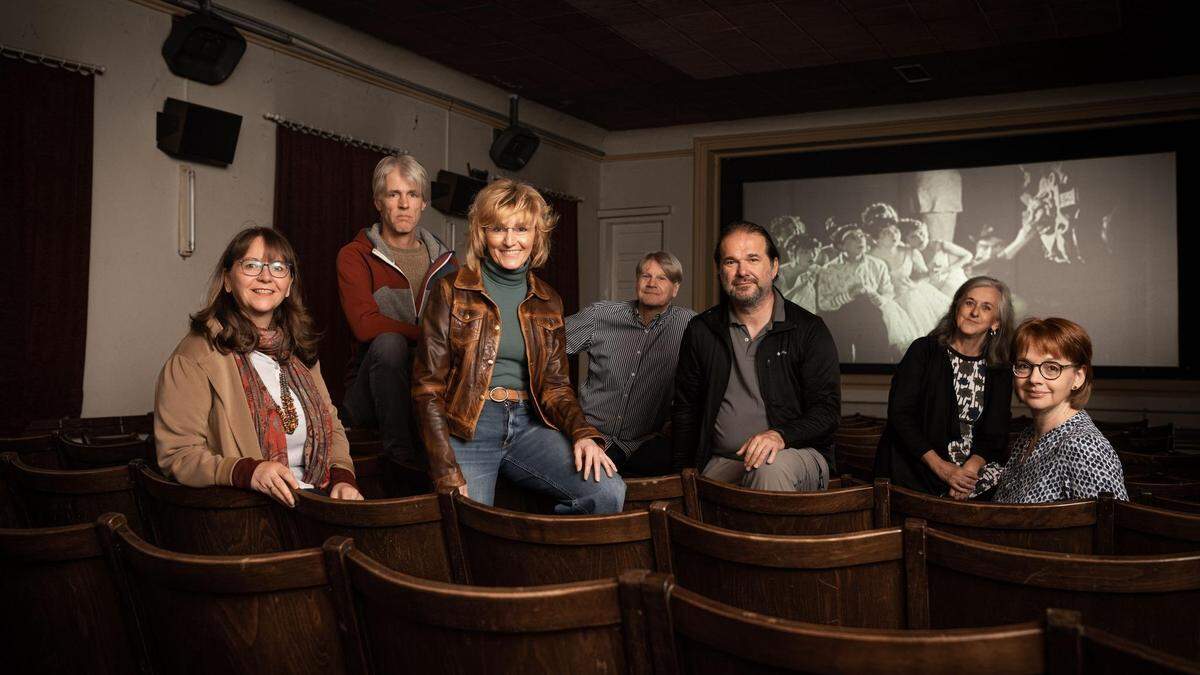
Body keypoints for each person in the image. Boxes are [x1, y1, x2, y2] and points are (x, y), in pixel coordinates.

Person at [412, 179, 624, 513]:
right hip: (469, 426)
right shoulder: (451, 290)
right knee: (468, 527)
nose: (511, 240)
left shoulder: (547, 300)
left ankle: (541, 561)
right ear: (483, 234)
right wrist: (446, 470)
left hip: (531, 426)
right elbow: (427, 389)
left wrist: (583, 433)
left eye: (521, 229)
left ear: (536, 235)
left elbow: (556, 387)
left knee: (607, 492)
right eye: (498, 229)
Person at [155, 227, 361, 507]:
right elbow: (177, 455)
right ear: (227, 280)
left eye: (278, 267)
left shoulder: (299, 351)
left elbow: (332, 425)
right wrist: (247, 471)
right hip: (247, 508)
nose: (265, 276)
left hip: (317, 498)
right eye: (251, 265)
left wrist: (343, 479)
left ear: (288, 285)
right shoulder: (196, 356)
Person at [672, 221, 841, 492]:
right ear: (719, 271)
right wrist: (679, 475)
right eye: (731, 262)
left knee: (768, 470)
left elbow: (827, 413)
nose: (742, 272)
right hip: (723, 460)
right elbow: (686, 409)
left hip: (795, 453)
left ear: (773, 267)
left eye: (753, 259)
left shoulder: (809, 329)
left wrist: (779, 435)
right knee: (695, 501)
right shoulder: (702, 329)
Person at [337, 154, 457, 467]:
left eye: (412, 194)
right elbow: (365, 326)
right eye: (394, 194)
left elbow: (459, 328)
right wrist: (432, 335)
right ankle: (399, 460)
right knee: (389, 342)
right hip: (369, 396)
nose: (404, 204)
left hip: (427, 388)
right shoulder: (356, 256)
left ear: (423, 204)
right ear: (379, 201)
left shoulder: (446, 262)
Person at [873, 276, 1015, 499]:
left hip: (971, 470)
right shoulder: (923, 350)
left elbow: (995, 434)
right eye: (969, 303)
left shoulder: (1000, 369)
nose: (974, 312)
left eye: (986, 307)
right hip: (920, 463)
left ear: (996, 322)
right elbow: (900, 416)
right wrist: (943, 468)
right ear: (956, 307)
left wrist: (968, 472)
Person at [565, 251, 696, 477]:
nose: (651, 283)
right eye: (646, 276)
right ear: (637, 282)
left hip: (644, 445)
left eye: (662, 278)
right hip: (590, 436)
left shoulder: (690, 326)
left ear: (675, 288)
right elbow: (546, 347)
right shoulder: (600, 316)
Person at [991, 318, 1128, 503]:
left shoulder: (1084, 447)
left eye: (1052, 368)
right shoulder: (1028, 437)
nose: (1034, 379)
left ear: (1078, 377)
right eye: (1024, 365)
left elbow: (1111, 527)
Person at [817, 224, 916, 361]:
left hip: (870, 317)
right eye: (853, 237)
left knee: (874, 355)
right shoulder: (829, 270)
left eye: (862, 236)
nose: (860, 240)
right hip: (841, 319)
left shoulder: (877, 265)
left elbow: (888, 292)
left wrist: (879, 298)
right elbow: (823, 303)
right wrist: (848, 295)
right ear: (841, 245)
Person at [871, 220, 951, 336]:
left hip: (910, 296)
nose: (894, 235)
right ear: (878, 237)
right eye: (887, 233)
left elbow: (925, 275)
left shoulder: (909, 251)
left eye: (896, 230)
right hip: (888, 301)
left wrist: (926, 275)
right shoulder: (870, 257)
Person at [900, 218, 973, 298]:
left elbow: (968, 255)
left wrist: (948, 269)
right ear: (907, 240)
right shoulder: (909, 254)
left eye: (921, 233)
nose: (920, 239)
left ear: (926, 231)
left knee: (954, 292)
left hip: (948, 280)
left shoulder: (940, 245)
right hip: (930, 288)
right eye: (913, 237)